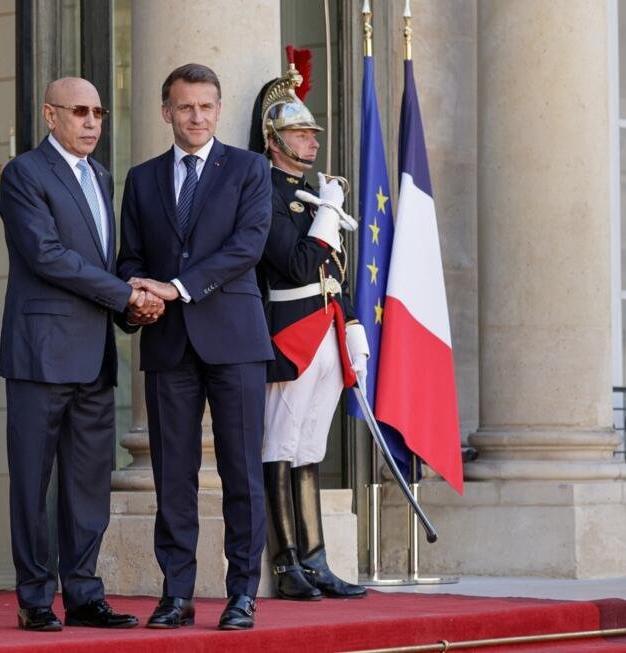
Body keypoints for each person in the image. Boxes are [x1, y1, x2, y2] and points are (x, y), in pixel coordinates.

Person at [0, 76, 161, 632]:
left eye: (98, 112)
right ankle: (35, 597)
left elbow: (101, 261)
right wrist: (124, 294)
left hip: (94, 355)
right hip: (40, 355)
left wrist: (130, 307)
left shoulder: (101, 177)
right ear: (50, 115)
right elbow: (47, 255)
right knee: (32, 481)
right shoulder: (24, 174)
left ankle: (86, 593)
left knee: (88, 484)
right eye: (79, 111)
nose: (92, 122)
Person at [118, 63, 273, 631]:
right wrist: (139, 295)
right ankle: (176, 594)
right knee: (173, 477)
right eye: (186, 107)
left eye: (207, 106)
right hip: (167, 344)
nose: (198, 117)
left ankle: (241, 595)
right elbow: (130, 259)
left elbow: (247, 248)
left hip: (234, 339)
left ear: (217, 108)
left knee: (241, 474)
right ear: (167, 112)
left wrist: (176, 288)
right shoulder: (141, 179)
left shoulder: (250, 170)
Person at [247, 51, 367, 600]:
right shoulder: (265, 191)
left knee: (311, 446)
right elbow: (293, 264)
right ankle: (286, 562)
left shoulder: (316, 191)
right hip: (289, 328)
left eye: (313, 133)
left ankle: (316, 559)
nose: (312, 141)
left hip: (325, 326)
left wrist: (353, 325)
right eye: (299, 133)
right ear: (274, 140)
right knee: (281, 441)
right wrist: (325, 213)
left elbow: (334, 270)